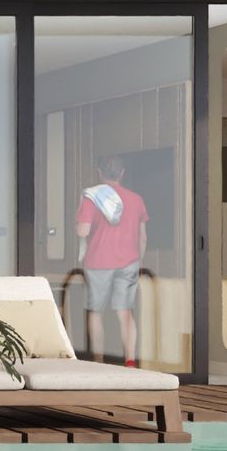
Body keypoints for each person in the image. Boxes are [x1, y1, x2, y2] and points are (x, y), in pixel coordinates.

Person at [75, 155, 149, 367]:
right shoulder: (136, 199)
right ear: (122, 173)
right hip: (129, 262)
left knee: (96, 312)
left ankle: (98, 360)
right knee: (125, 312)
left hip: (98, 262)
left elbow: (83, 230)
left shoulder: (92, 197)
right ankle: (130, 359)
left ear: (99, 172)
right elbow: (142, 236)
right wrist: (138, 261)